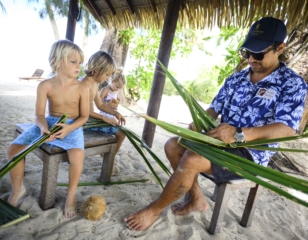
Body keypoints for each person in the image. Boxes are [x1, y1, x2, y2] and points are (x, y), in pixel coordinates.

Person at [124, 17, 307, 231]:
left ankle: (153, 210)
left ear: (280, 48)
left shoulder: (292, 84)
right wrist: (200, 122)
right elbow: (214, 109)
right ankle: (196, 199)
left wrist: (239, 134)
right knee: (173, 145)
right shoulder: (236, 79)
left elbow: (286, 128)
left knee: (192, 159)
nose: (251, 59)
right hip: (219, 141)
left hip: (250, 154)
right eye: (247, 52)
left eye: (258, 53)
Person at [7, 39, 89, 218]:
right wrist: (44, 128)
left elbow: (84, 117)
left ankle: (71, 196)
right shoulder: (45, 85)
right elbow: (39, 115)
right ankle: (17, 189)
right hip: (49, 124)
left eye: (80, 63)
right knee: (13, 149)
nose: (79, 67)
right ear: (56, 62)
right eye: (73, 62)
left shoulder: (82, 88)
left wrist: (69, 128)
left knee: (77, 155)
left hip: (72, 126)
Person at [79, 51, 126, 159]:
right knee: (121, 134)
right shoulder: (84, 84)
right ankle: (108, 159)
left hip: (89, 119)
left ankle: (107, 157)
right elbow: (83, 111)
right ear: (97, 70)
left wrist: (116, 113)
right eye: (107, 74)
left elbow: (100, 104)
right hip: (84, 122)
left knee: (120, 131)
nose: (107, 78)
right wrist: (104, 118)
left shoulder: (94, 84)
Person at [99, 67, 127, 158]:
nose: (117, 89)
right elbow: (99, 102)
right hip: (104, 117)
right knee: (119, 135)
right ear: (113, 81)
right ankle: (109, 157)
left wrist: (116, 103)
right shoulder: (105, 90)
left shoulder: (115, 91)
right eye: (117, 87)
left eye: (120, 88)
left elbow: (115, 101)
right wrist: (107, 103)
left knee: (118, 134)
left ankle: (110, 156)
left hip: (112, 117)